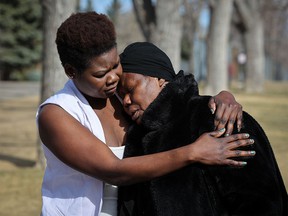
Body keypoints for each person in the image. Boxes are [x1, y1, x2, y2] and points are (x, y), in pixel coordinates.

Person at [36, 12, 254, 216]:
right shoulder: (57, 114)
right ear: (71, 71)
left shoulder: (121, 95)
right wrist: (194, 152)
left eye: (115, 65)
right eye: (101, 73)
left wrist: (223, 98)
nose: (113, 78)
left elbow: (173, 98)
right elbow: (114, 171)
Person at [117, 42, 288, 216]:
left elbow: (261, 204)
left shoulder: (219, 118)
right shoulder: (136, 137)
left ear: (159, 79)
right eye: (121, 95)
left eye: (130, 89)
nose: (126, 101)